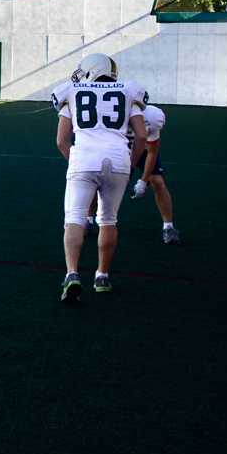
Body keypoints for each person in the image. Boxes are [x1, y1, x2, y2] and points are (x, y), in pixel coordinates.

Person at [51, 53, 149, 303]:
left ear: (91, 70)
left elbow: (62, 141)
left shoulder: (71, 92)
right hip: (117, 159)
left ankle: (72, 274)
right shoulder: (129, 92)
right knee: (108, 220)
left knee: (74, 218)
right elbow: (141, 136)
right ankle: (102, 276)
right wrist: (130, 163)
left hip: (84, 158)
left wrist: (76, 163)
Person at [129, 103, 180, 244]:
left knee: (157, 181)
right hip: (119, 148)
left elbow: (152, 152)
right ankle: (88, 220)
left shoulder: (151, 118)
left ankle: (168, 227)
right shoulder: (116, 113)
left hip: (144, 150)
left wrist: (143, 181)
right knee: (102, 180)